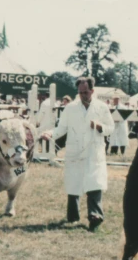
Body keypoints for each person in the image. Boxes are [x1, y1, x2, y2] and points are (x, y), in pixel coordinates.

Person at [45, 77, 114, 230]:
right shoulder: (70, 108)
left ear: (92, 91)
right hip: (74, 150)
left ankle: (95, 215)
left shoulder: (102, 107)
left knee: (94, 183)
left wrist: (100, 126)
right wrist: (50, 134)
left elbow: (111, 127)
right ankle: (72, 216)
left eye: (86, 92)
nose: (83, 95)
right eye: (80, 92)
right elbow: (61, 128)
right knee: (73, 183)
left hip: (93, 151)